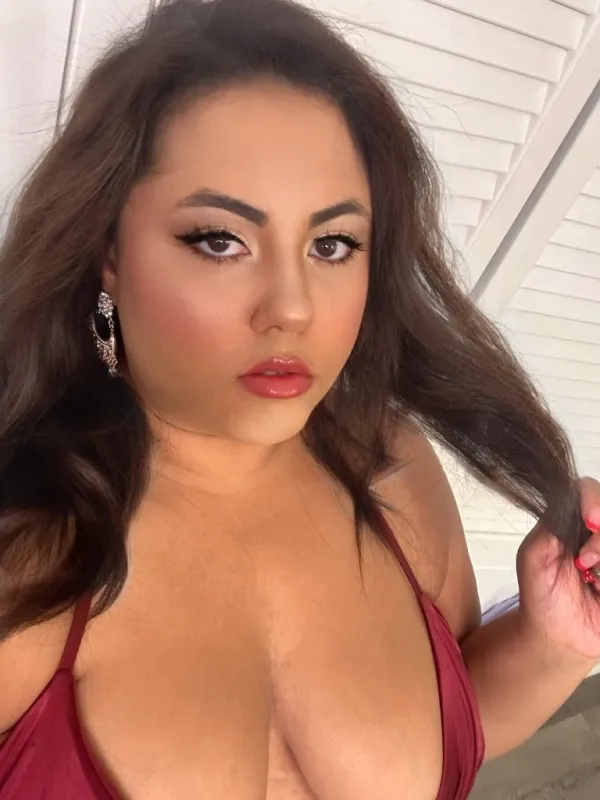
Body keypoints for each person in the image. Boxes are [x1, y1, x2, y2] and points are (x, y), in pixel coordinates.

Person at [0, 0, 599, 798]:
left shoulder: (392, 470)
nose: (292, 308)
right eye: (220, 240)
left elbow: (459, 721)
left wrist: (554, 642)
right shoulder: (25, 560)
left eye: (332, 244)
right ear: (108, 251)